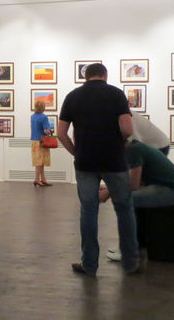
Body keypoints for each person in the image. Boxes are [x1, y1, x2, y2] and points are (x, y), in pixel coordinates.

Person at [57, 62, 140, 277]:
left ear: (86, 76)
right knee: (124, 210)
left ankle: (90, 264)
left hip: (85, 163)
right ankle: (130, 263)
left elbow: (61, 133)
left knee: (88, 211)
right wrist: (117, 143)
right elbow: (128, 129)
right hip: (114, 161)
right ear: (105, 75)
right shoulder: (116, 94)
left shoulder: (72, 96)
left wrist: (76, 152)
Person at [103, 139, 174, 261]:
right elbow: (134, 182)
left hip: (173, 191)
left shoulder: (133, 151)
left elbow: (133, 185)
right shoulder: (136, 147)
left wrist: (109, 192)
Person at [30, 100, 53, 186]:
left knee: (39, 161)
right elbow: (46, 131)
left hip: (34, 141)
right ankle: (36, 179)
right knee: (40, 162)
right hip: (42, 141)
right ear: (43, 107)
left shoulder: (32, 116)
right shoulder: (44, 117)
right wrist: (50, 130)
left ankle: (43, 179)